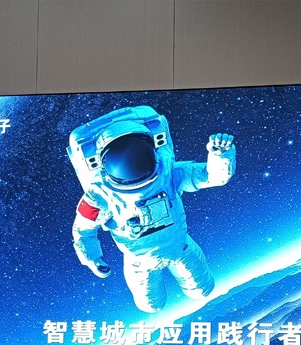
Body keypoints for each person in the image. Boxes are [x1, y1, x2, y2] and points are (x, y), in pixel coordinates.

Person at [68, 106, 235, 313]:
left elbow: (212, 176)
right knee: (151, 305)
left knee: (202, 289)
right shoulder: (100, 196)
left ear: (151, 150)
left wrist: (220, 155)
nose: (131, 165)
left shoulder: (168, 172)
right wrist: (91, 258)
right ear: (103, 164)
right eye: (121, 160)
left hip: (179, 247)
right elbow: (83, 231)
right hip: (141, 262)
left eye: (138, 154)